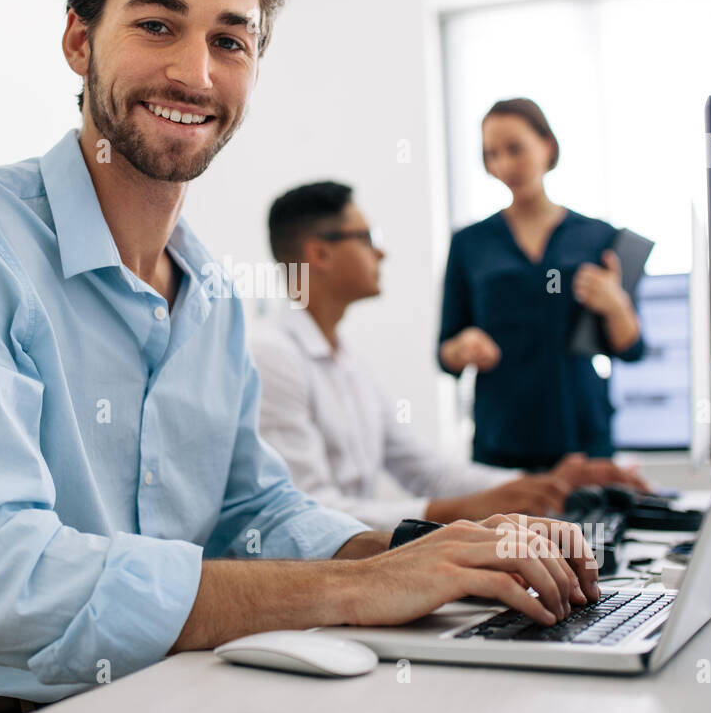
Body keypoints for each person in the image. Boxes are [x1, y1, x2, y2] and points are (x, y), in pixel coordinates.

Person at [0, 0, 601, 713]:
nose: (196, 75)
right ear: (80, 39)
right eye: (157, 25)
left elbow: (253, 510)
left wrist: (428, 554)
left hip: (153, 691)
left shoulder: (213, 296)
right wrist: (353, 592)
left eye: (230, 40)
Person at [250, 182, 648, 532]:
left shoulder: (347, 362)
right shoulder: (273, 357)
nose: (382, 252)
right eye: (367, 237)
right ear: (319, 254)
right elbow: (311, 514)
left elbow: (428, 473)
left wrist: (546, 482)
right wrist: (462, 511)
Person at [438, 97, 645, 471]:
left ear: (547, 145)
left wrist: (615, 305)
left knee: (590, 531)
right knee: (504, 532)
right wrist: (463, 347)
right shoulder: (470, 243)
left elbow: (632, 349)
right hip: (501, 443)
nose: (504, 165)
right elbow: (445, 353)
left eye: (515, 149)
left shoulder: (599, 238)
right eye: (492, 155)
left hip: (582, 438)